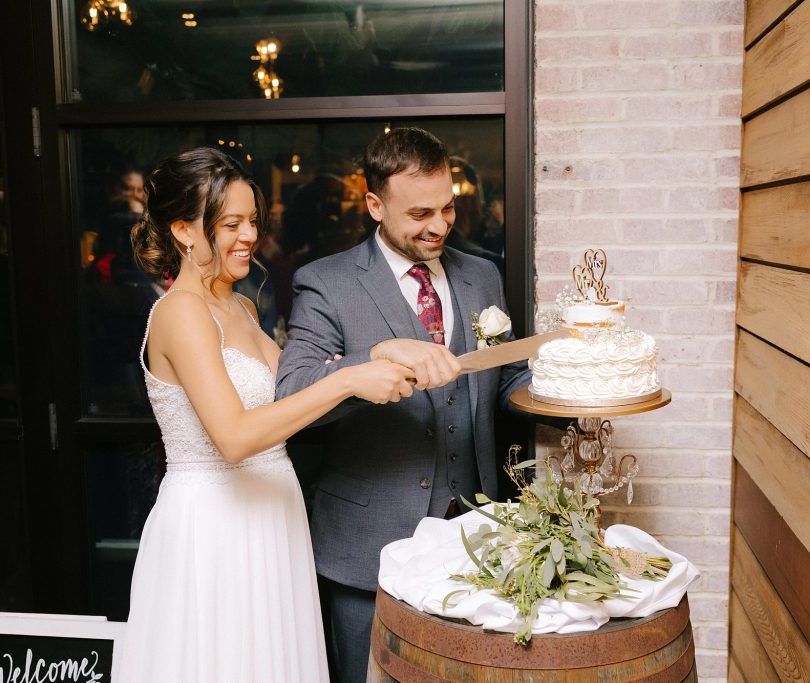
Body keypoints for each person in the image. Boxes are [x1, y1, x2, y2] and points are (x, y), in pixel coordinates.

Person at [118, 146, 415, 682]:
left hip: (272, 517)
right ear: (185, 231)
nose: (250, 236)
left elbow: (299, 391)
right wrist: (351, 378)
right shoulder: (180, 312)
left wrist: (376, 357)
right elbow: (232, 437)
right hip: (215, 527)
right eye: (231, 224)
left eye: (252, 220)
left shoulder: (240, 305)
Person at [275, 127, 531, 683]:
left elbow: (508, 378)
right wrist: (369, 363)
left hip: (478, 540)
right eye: (419, 213)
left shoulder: (482, 274)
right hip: (368, 549)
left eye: (448, 208)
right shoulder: (326, 283)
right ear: (374, 205)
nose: (439, 226)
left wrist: (572, 388)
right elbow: (291, 393)